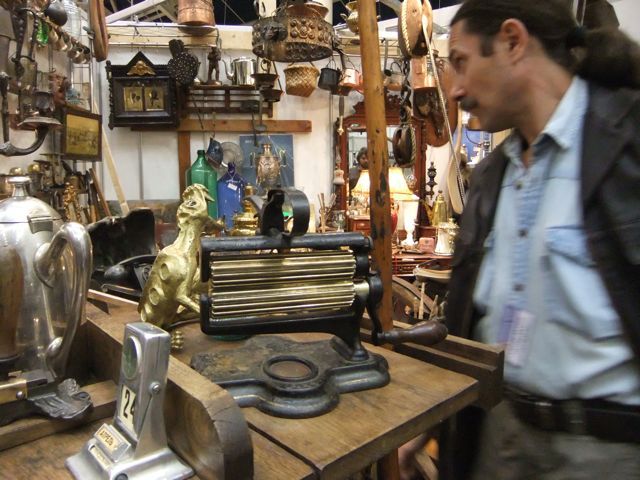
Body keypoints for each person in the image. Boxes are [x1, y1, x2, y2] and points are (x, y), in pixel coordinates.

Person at [399, 1, 640, 479]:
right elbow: (471, 319)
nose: (456, 89)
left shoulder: (627, 141)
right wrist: (433, 420)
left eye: (462, 61)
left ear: (512, 41)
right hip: (500, 437)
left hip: (603, 453)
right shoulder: (492, 177)